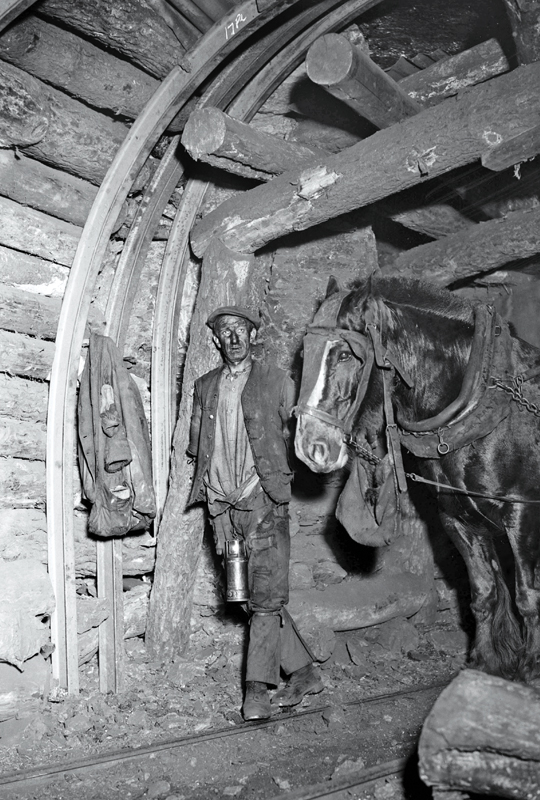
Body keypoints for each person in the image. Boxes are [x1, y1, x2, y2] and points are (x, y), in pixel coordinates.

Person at [187, 305, 323, 720]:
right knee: (246, 598)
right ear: (216, 340)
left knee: (265, 601)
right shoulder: (205, 385)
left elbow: (303, 433)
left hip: (262, 501)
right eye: (225, 331)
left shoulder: (277, 381)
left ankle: (257, 690)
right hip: (222, 509)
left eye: (240, 330)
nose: (233, 338)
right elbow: (197, 445)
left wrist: (283, 472)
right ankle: (303, 672)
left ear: (253, 335)